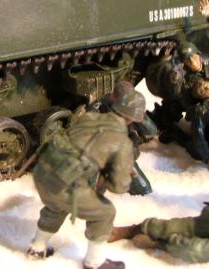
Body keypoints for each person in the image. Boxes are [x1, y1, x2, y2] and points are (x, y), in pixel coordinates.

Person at [27, 81, 146, 269]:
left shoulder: (89, 117)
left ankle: (37, 248)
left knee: (57, 205)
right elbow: (118, 187)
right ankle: (94, 262)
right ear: (133, 118)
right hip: (65, 182)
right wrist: (121, 170)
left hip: (43, 173)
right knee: (105, 213)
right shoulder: (123, 143)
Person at [148, 0, 209, 145]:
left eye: (194, 57)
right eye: (188, 60)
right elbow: (192, 111)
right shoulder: (185, 85)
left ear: (199, 54)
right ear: (184, 63)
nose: (193, 62)